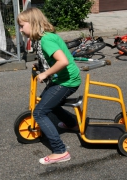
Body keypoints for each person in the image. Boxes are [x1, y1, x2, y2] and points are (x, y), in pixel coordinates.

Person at [17, 7, 81, 165]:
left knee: (39, 112)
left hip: (66, 81)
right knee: (49, 104)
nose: (20, 30)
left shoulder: (46, 40)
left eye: (22, 25)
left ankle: (60, 151)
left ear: (33, 23)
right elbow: (50, 59)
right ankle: (73, 124)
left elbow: (63, 61)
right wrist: (41, 67)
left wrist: (45, 74)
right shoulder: (42, 38)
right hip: (63, 79)